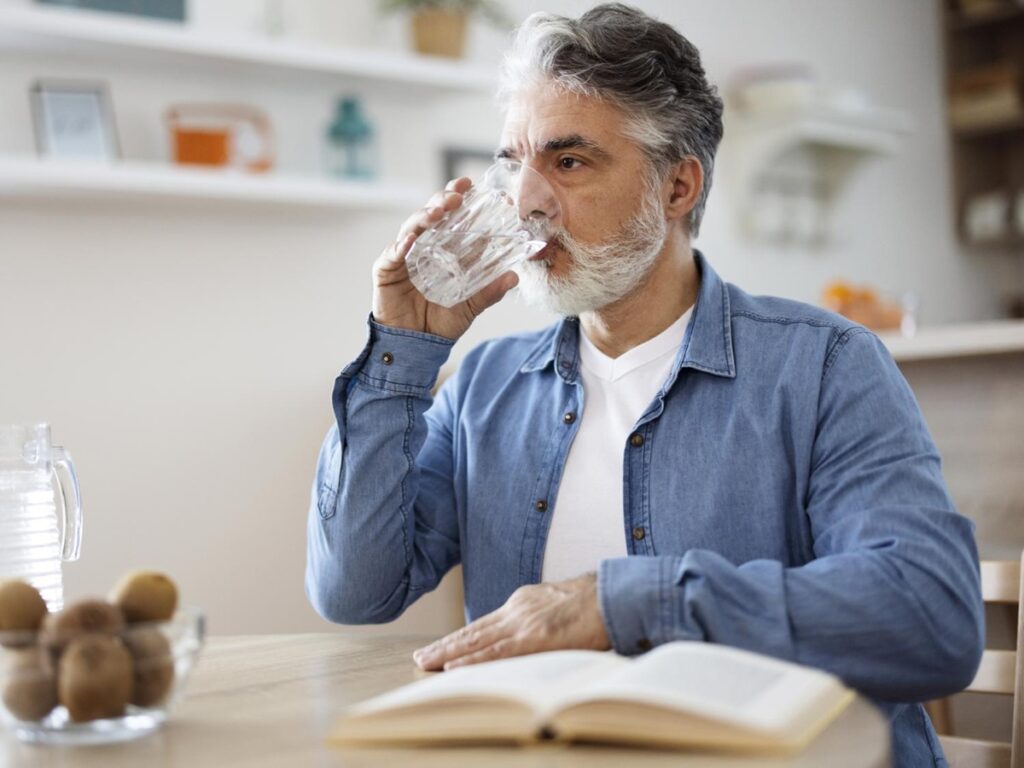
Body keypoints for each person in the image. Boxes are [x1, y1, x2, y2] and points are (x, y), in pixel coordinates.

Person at [306, 4, 982, 765]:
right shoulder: (485, 387)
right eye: (514, 163)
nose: (526, 199)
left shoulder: (826, 366)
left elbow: (931, 619)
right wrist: (403, 351)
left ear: (677, 187)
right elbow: (354, 591)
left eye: (568, 162)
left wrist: (622, 602)